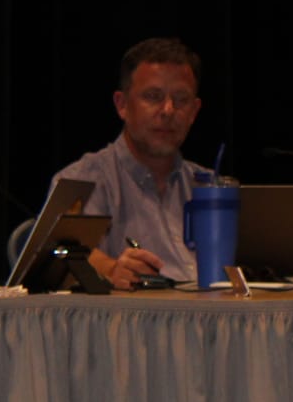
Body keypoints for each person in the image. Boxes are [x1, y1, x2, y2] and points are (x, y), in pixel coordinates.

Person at [52, 37, 212, 289]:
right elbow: (65, 253)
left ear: (194, 111)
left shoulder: (211, 187)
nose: (168, 110)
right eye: (153, 96)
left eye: (181, 99)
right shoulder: (83, 181)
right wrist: (111, 269)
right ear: (122, 105)